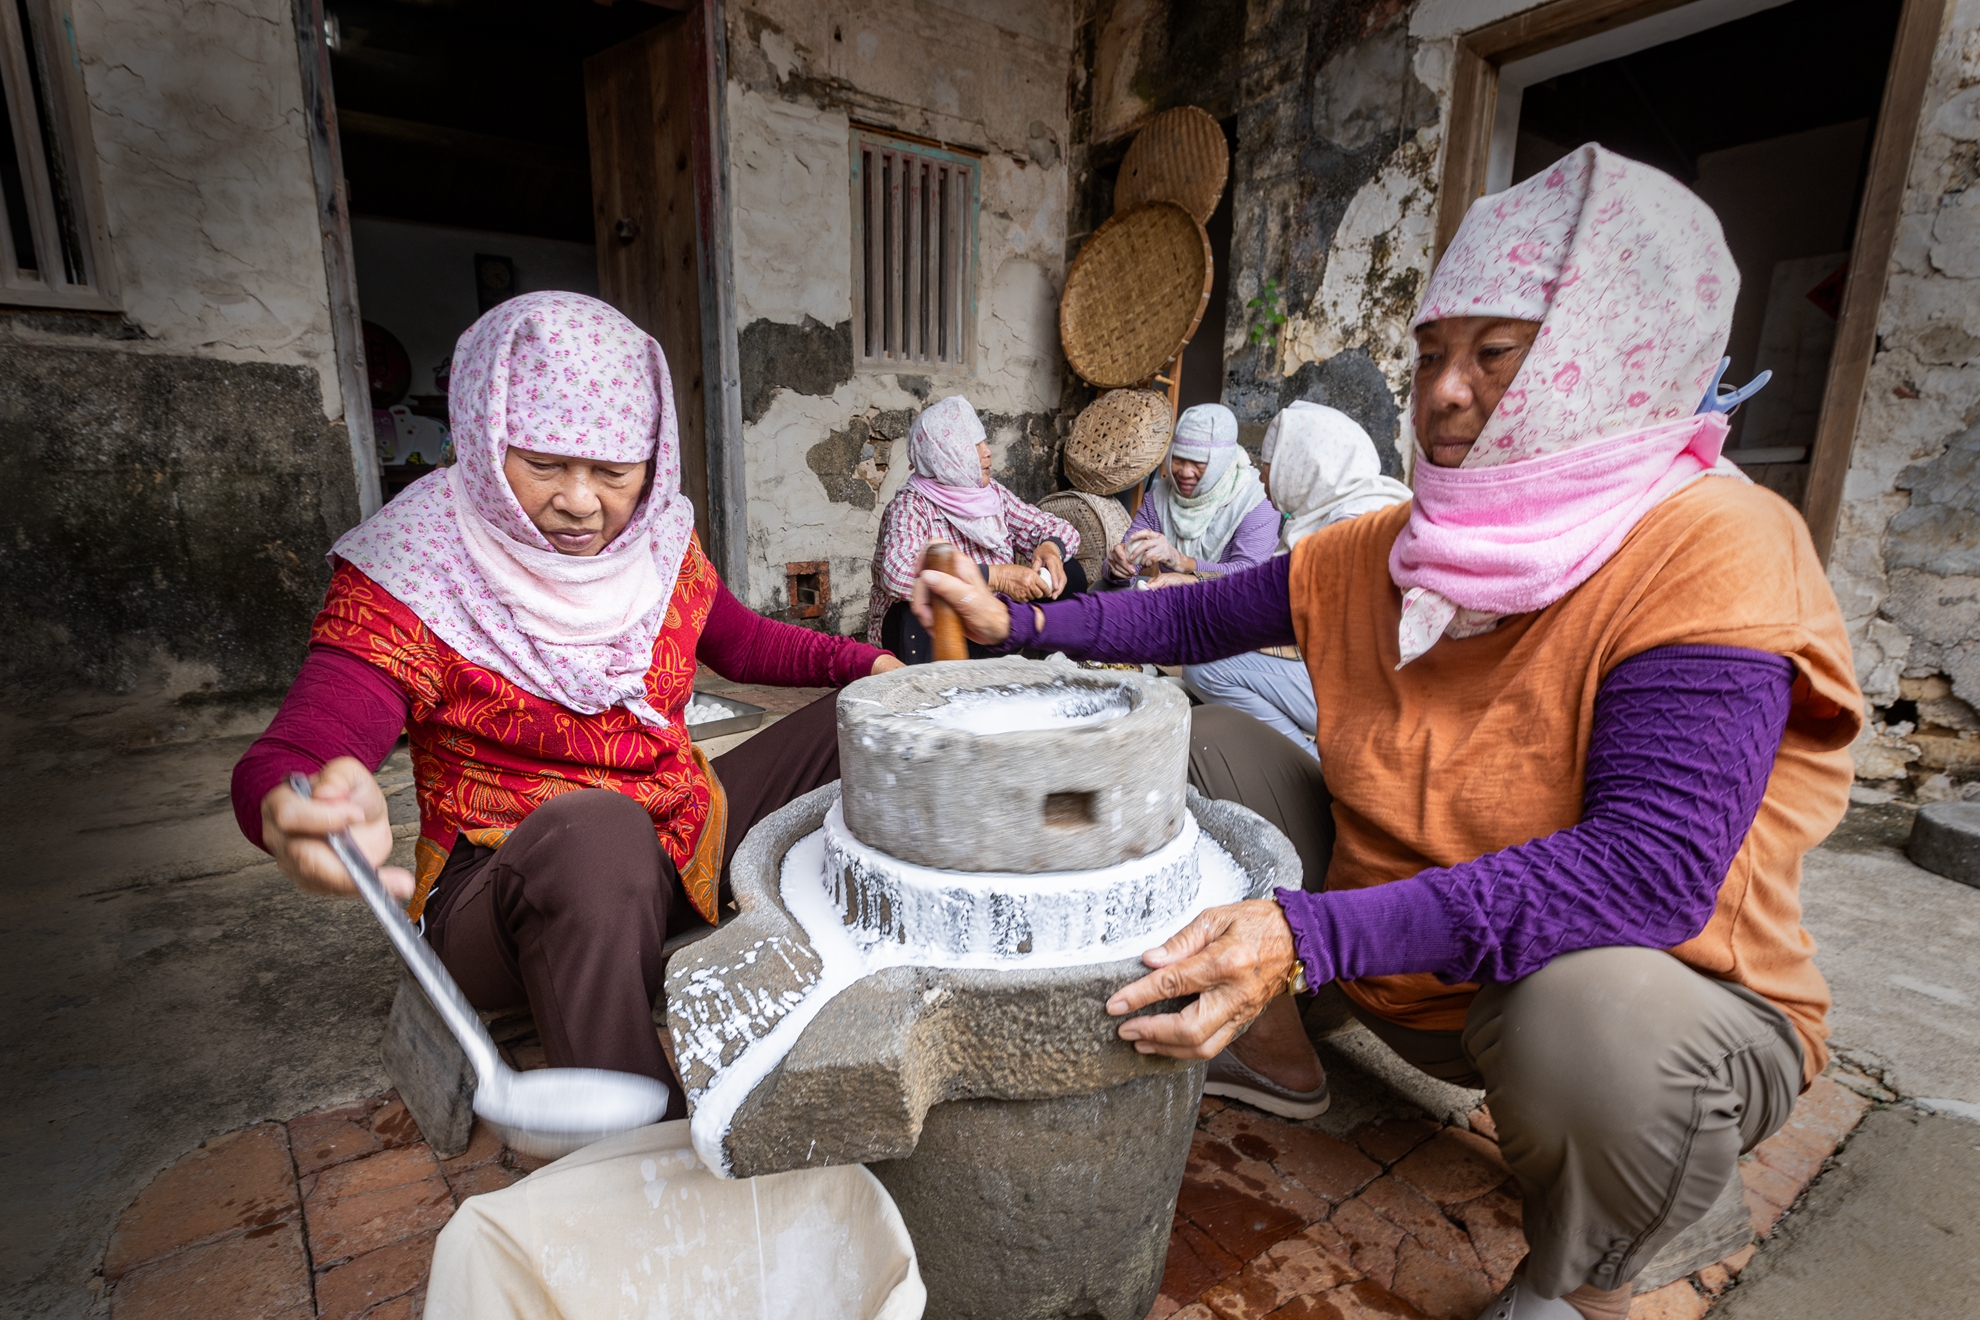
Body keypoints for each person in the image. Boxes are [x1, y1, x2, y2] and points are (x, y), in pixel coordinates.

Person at [910, 145, 1860, 1320]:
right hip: (1423, 966)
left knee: (1584, 1022)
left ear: (1606, 365)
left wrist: (1306, 934)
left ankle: (1595, 1280)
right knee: (1204, 742)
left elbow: (1647, 877)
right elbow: (1198, 613)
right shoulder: (1392, 546)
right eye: (1431, 354)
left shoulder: (1710, 545)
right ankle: (1291, 1062)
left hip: (1651, 1002)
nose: (1444, 391)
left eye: (1496, 355)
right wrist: (1020, 619)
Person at [232, 293, 902, 1119]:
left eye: (614, 472)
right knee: (598, 828)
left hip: (676, 837)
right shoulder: (413, 570)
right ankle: (637, 1141)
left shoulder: (654, 539)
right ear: (481, 440)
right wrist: (298, 806)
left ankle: (863, 969)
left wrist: (871, 664)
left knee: (872, 726)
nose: (582, 502)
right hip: (509, 899)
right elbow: (299, 747)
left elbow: (739, 642)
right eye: (545, 465)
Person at [1182, 402, 1411, 759]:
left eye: (1271, 464)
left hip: (1370, 691)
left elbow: (1287, 619)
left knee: (1204, 666)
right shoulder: (1347, 510)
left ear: (1303, 465)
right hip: (1359, 676)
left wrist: (1192, 597)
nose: (1263, 476)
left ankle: (1314, 762)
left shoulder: (1349, 529)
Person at [866, 395, 1081, 661]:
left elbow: (1059, 528)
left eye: (985, 442)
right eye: (974, 445)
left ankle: (1043, 668)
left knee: (1068, 570)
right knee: (921, 605)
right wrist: (996, 577)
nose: (987, 451)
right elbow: (896, 573)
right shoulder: (912, 504)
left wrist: (1050, 547)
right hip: (929, 635)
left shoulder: (990, 495)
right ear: (946, 455)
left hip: (983, 622)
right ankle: (933, 690)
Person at [1104, 402, 1277, 585]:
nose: (1185, 473)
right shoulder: (1160, 498)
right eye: (1177, 459)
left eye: (1199, 462)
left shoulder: (1256, 498)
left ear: (1222, 460)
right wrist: (1118, 569)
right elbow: (1117, 567)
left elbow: (1249, 578)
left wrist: (1181, 564)